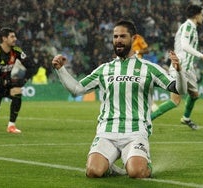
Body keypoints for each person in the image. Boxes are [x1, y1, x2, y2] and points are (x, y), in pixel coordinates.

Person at [52, 20, 187, 178]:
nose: (118, 40)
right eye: (115, 36)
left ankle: (142, 163)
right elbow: (76, 89)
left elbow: (179, 89)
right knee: (93, 171)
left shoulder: (148, 68)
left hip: (135, 132)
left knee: (137, 173)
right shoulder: (104, 69)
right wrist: (61, 70)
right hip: (106, 132)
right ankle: (111, 167)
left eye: (123, 36)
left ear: (134, 38)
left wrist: (179, 71)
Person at [151, 4, 203, 130]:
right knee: (175, 101)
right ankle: (146, 121)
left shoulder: (192, 28)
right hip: (180, 66)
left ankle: (186, 118)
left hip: (188, 68)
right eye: (202, 15)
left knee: (195, 95)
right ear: (196, 15)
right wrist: (202, 56)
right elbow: (184, 46)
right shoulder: (188, 26)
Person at [0, 27, 38, 133]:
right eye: (12, 36)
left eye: (15, 36)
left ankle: (11, 126)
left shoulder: (16, 51)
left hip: (5, 85)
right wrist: (6, 81)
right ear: (4, 38)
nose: (15, 39)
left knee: (17, 91)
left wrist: (24, 79)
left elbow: (32, 66)